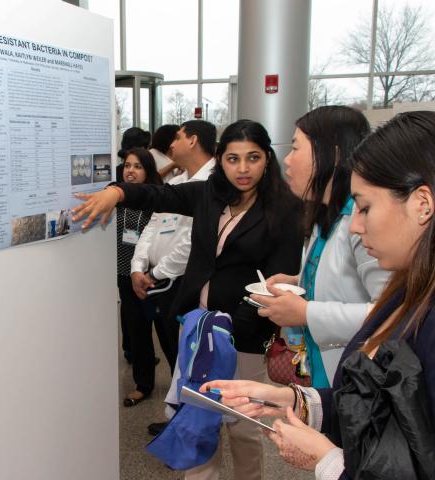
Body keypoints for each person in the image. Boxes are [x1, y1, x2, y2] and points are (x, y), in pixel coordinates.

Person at [201, 111, 435, 479]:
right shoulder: (413, 288)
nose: (356, 225)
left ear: (423, 204)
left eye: (366, 207)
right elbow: (389, 408)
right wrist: (295, 400)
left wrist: (327, 461)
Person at [73, 119, 304, 480]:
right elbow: (159, 195)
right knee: (196, 419)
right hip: (196, 326)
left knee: (242, 427)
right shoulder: (210, 195)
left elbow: (279, 280)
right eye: (232, 159)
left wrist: (231, 327)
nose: (242, 169)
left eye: (253, 157)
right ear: (220, 159)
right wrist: (117, 192)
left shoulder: (284, 209)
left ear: (267, 159)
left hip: (241, 336)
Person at [252, 106, 389, 386]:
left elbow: (391, 311)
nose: (286, 161)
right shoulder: (326, 214)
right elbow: (339, 279)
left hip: (356, 375)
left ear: (333, 153)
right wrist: (296, 281)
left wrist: (305, 313)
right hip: (323, 366)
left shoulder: (361, 220)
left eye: (295, 148)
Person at [125, 121, 217, 407]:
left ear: (192, 140)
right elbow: (151, 228)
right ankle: (178, 413)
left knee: (187, 356)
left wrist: (155, 273)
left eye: (177, 137)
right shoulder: (176, 183)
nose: (170, 145)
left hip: (185, 285)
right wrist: (137, 267)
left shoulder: (214, 185)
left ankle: (188, 416)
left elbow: (193, 242)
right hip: (159, 282)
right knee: (172, 353)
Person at [116, 149, 162, 368]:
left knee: (144, 321)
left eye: (137, 166)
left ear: (147, 170)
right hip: (122, 269)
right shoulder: (116, 196)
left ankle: (143, 360)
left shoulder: (155, 198)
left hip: (147, 273)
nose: (130, 171)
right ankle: (131, 352)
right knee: (128, 316)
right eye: (127, 166)